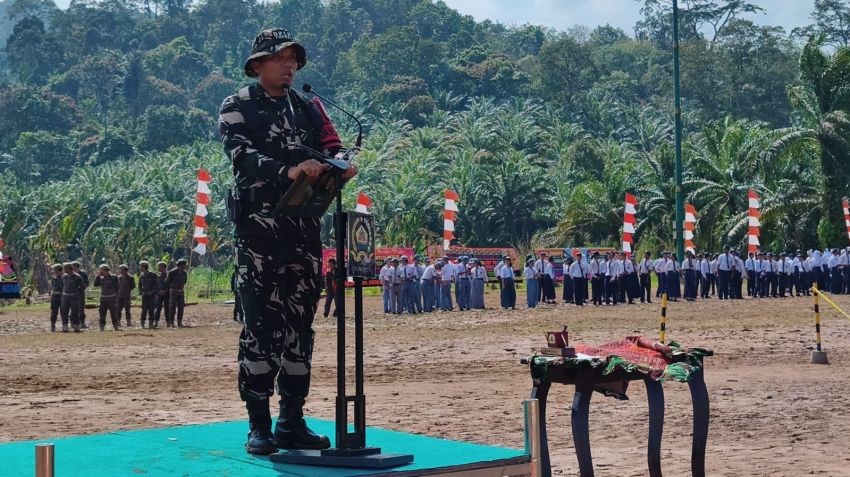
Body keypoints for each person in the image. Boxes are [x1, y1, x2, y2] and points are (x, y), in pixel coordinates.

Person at [220, 27, 359, 454]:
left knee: (301, 327)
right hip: (259, 236)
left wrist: (341, 167)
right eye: (281, 59)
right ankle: (258, 425)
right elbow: (240, 157)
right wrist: (288, 171)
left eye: (294, 60)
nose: (290, 66)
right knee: (260, 327)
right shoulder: (237, 106)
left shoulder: (309, 107)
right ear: (258, 64)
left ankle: (291, 421)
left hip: (302, 232)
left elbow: (331, 147)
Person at [94, 264, 120, 331]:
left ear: (105, 270)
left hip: (112, 298)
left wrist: (116, 297)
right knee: (102, 313)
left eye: (101, 270)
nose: (100, 271)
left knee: (113, 313)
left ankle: (115, 327)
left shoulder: (114, 277)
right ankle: (101, 327)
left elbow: (117, 287)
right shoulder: (100, 278)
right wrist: (98, 276)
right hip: (103, 298)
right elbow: (95, 284)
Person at [60, 263, 85, 333]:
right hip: (65, 297)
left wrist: (77, 293)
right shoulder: (64, 277)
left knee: (75, 312)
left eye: (65, 268)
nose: (64, 270)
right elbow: (62, 286)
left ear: (69, 268)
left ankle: (76, 326)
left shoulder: (77, 277)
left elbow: (82, 287)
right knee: (64, 312)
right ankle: (65, 327)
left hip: (74, 297)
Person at [165, 259, 188, 327]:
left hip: (181, 292)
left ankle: (179, 322)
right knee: (172, 308)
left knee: (181, 307)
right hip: (173, 292)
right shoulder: (172, 272)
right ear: (180, 265)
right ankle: (171, 322)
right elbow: (167, 281)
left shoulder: (184, 273)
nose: (185, 267)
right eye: (184, 265)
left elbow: (185, 282)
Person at [138, 261, 159, 329]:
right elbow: (140, 285)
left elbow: (156, 285)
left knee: (151, 310)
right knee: (144, 310)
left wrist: (152, 292)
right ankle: (142, 324)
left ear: (144, 267)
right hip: (145, 296)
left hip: (152, 296)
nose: (140, 268)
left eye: (141, 266)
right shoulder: (141, 275)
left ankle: (151, 324)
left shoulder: (152, 275)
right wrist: (141, 292)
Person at [71, 261, 89, 329]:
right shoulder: (71, 274)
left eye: (74, 267)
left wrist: (80, 287)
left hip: (80, 294)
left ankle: (82, 323)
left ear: (77, 267)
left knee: (81, 309)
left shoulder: (83, 274)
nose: (73, 269)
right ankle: (73, 323)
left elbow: (86, 283)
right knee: (73, 309)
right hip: (72, 294)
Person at [153, 261, 168, 328]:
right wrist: (158, 291)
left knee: (167, 309)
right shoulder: (158, 276)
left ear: (163, 267)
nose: (158, 268)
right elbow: (155, 285)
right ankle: (155, 321)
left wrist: (165, 291)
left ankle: (168, 322)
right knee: (158, 308)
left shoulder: (168, 276)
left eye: (159, 267)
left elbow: (170, 285)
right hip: (159, 295)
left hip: (167, 294)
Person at [49, 264, 63, 332]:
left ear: (59, 270)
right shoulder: (53, 278)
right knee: (54, 312)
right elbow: (52, 287)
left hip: (62, 296)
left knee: (64, 312)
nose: (54, 271)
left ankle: (64, 326)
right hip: (55, 297)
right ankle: (52, 325)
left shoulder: (64, 278)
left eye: (55, 270)